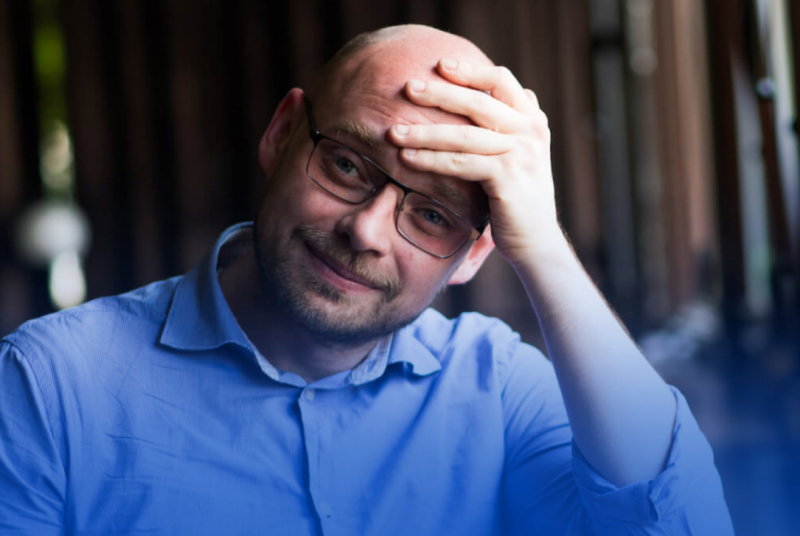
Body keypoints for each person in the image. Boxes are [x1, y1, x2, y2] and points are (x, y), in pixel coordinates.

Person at [0, 24, 732, 535]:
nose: (367, 232)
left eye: (433, 216)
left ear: (474, 254)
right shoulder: (48, 387)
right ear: (282, 134)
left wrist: (542, 244)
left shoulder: (500, 389)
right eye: (347, 165)